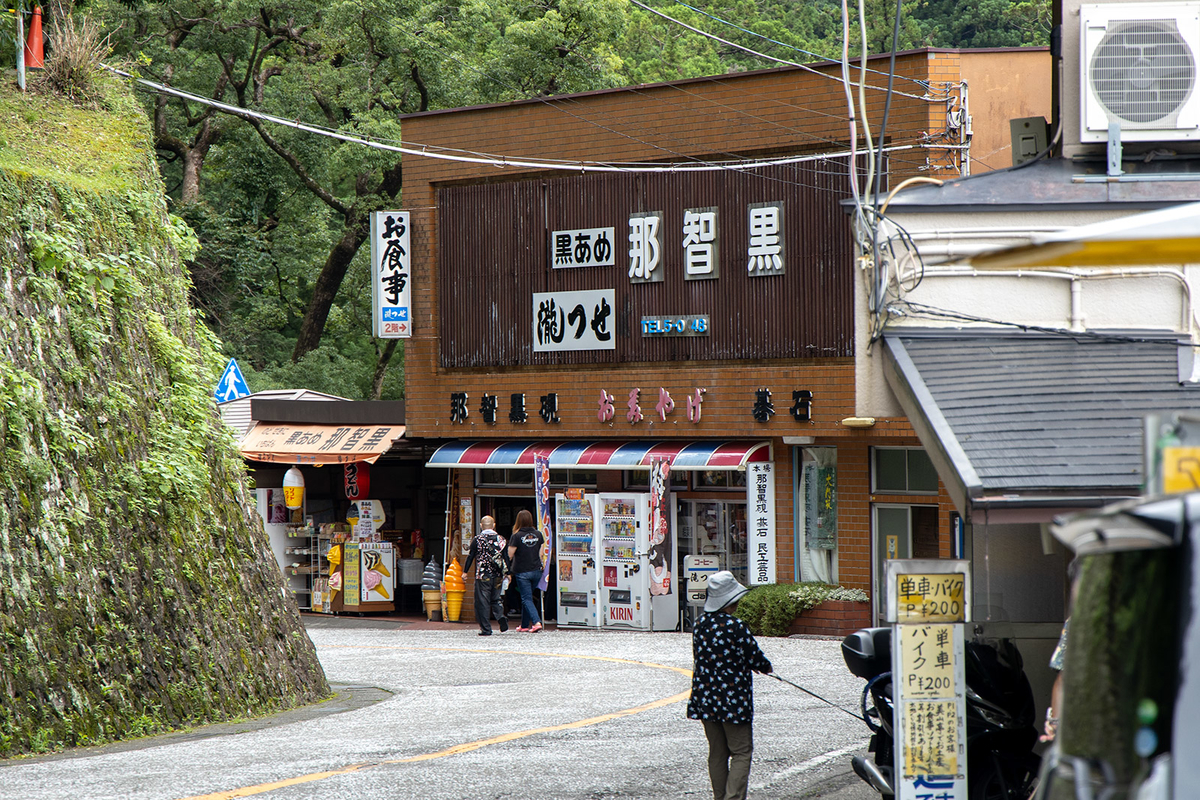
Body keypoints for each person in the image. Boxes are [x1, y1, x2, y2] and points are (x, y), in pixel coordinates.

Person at [687, 571, 772, 800]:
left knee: (717, 752)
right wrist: (765, 667)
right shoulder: (736, 626)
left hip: (705, 697)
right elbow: (756, 658)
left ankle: (720, 797)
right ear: (729, 600)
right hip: (733, 699)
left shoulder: (700, 624)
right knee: (741, 751)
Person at [462, 516, 509, 636]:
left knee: (482, 601)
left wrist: (465, 572)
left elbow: (470, 556)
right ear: (494, 525)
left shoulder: (477, 539)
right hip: (497, 574)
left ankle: (486, 629)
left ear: (481, 525)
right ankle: (500, 616)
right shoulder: (501, 539)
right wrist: (508, 573)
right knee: (496, 599)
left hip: (483, 575)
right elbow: (506, 558)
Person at [508, 509, 544, 632]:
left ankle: (536, 622)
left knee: (526, 598)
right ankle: (524, 625)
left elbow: (510, 555)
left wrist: (507, 570)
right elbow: (541, 553)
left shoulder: (516, 536)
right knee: (527, 597)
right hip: (536, 571)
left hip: (522, 571)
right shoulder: (538, 534)